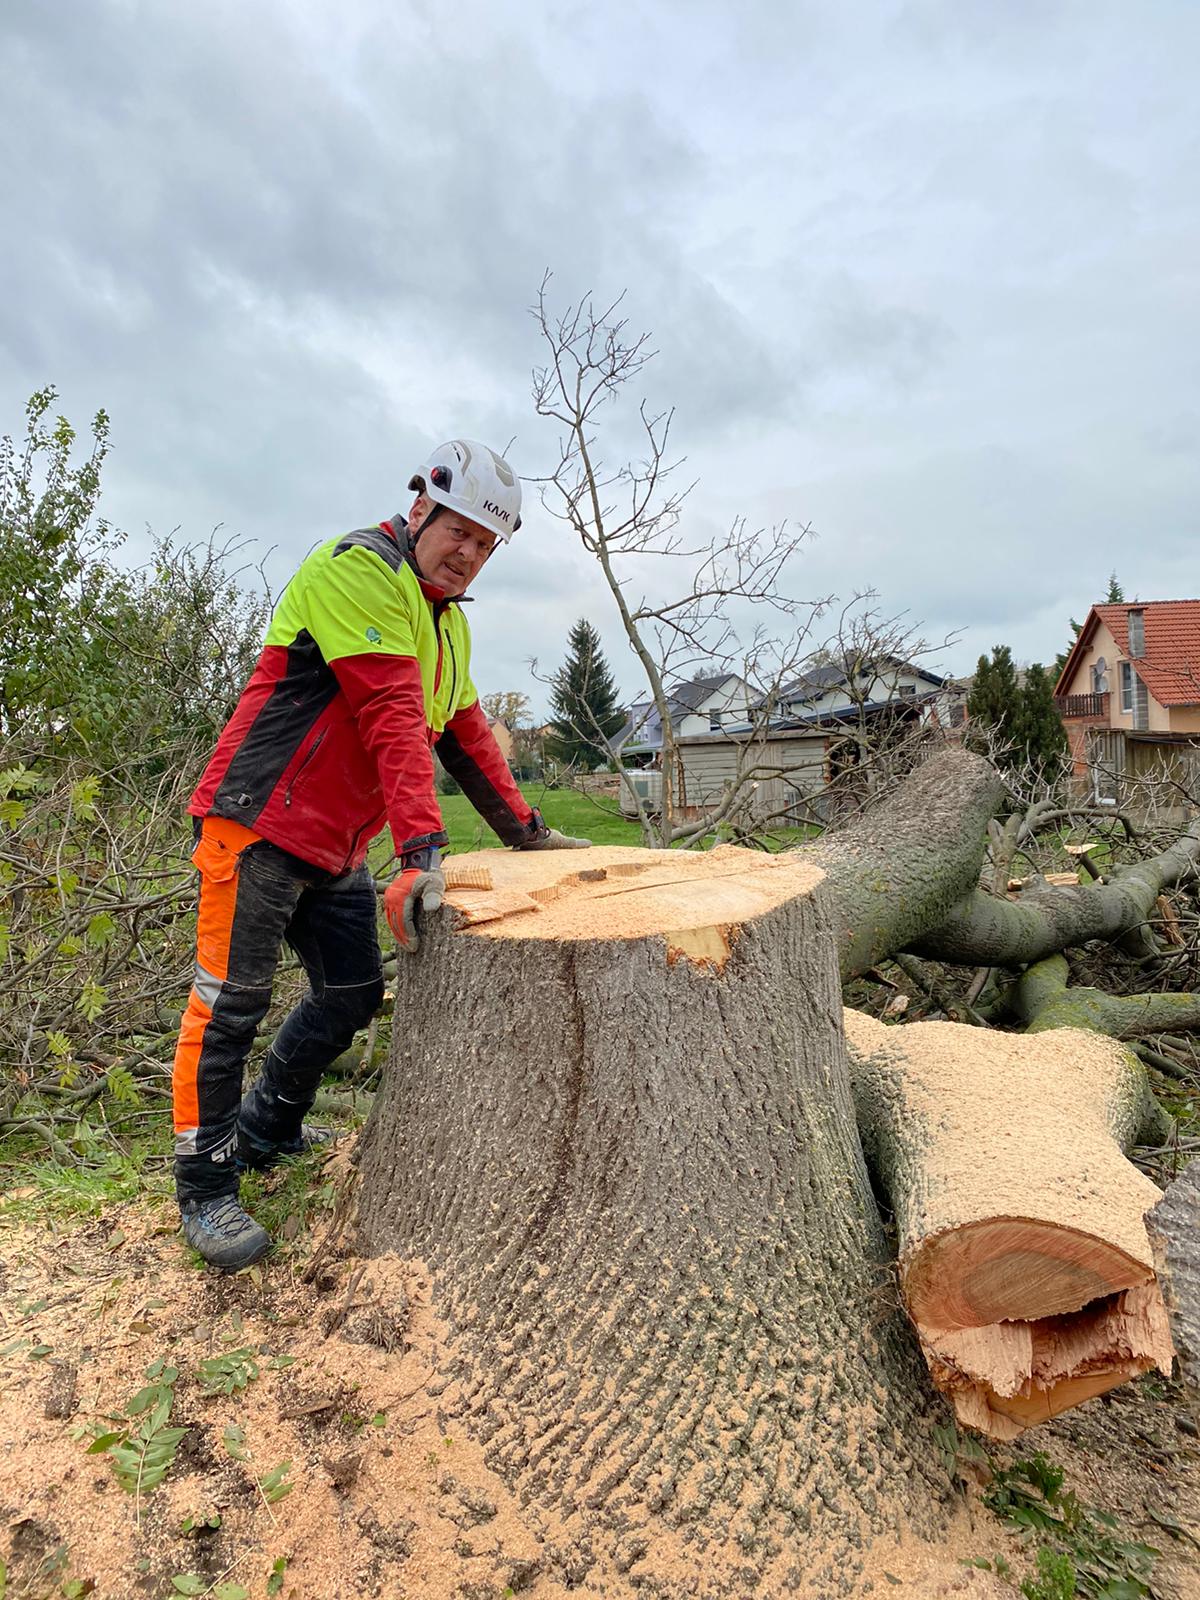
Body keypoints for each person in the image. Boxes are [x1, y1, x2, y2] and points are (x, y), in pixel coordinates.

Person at [171, 440, 590, 1269]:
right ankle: (206, 1183)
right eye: (459, 530)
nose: (467, 552)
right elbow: (393, 716)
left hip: (331, 845)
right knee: (228, 1006)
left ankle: (267, 1128)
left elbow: (464, 734)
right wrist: (422, 850)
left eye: (485, 544)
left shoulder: (447, 623)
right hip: (255, 825)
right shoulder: (357, 567)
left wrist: (530, 836)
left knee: (353, 992)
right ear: (422, 507)